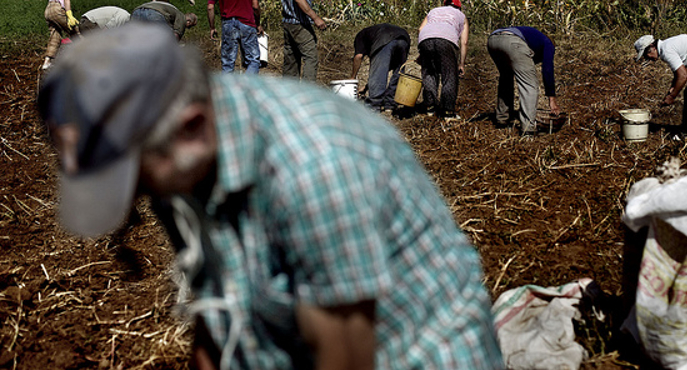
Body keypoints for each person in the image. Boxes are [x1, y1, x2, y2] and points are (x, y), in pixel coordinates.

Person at [38, 23, 505, 370]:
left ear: (191, 129)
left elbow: (345, 356)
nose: (135, 198)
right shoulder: (172, 153)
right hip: (289, 335)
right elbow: (214, 298)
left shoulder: (316, 167)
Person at [487, 26, 561, 135]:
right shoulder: (548, 43)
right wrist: (552, 99)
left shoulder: (534, 37)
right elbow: (548, 69)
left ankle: (502, 119)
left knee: (506, 77)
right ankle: (528, 129)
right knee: (530, 85)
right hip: (512, 41)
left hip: (493, 40)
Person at [417, 0, 469, 120]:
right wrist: (461, 64)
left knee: (429, 73)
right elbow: (464, 42)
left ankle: (430, 108)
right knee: (449, 75)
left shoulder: (433, 11)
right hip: (446, 40)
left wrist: (422, 53)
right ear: (459, 7)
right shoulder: (462, 16)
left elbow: (420, 29)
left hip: (425, 38)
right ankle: (448, 112)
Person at [350, 24, 410, 113]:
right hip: (404, 38)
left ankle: (374, 105)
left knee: (380, 72)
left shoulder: (360, 36)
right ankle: (390, 104)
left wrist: (352, 77)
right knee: (399, 72)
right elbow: (385, 68)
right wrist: (367, 87)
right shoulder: (372, 33)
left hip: (384, 37)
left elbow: (358, 57)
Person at [207, 0, 263, 74]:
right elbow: (255, 6)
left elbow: (210, 7)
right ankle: (248, 84)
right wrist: (258, 23)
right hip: (247, 22)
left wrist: (212, 27)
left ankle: (226, 84)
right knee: (253, 60)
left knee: (227, 63)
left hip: (228, 23)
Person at [281, 0, 326, 81]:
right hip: (299, 24)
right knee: (311, 58)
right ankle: (307, 89)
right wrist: (315, 18)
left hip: (288, 23)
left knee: (291, 59)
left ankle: (288, 90)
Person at [131, 0, 197, 40]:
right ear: (189, 22)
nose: (187, 27)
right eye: (189, 27)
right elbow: (175, 37)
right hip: (155, 14)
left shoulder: (172, 9)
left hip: (137, 11)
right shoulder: (182, 17)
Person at [42, 0, 79, 70]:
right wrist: (69, 14)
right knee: (75, 31)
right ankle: (88, 56)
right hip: (57, 9)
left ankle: (47, 62)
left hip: (48, 10)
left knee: (55, 36)